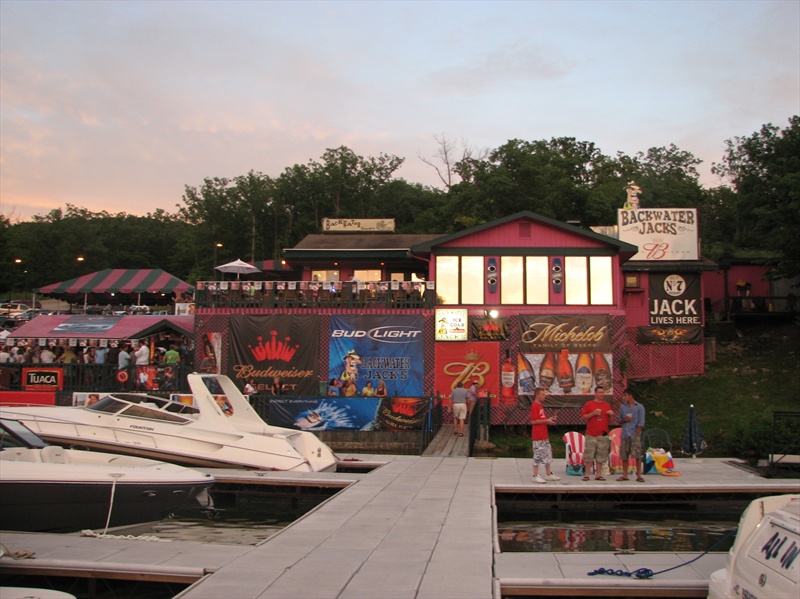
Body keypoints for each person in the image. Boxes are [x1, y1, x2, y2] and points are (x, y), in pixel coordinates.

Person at [580, 385, 614, 481]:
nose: (601, 394)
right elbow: (583, 417)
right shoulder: (589, 404)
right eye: (599, 392)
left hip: (602, 434)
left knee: (601, 455)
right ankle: (587, 474)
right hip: (591, 434)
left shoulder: (606, 405)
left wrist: (611, 415)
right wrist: (593, 413)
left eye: (603, 392)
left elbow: (610, 421)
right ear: (595, 393)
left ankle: (598, 474)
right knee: (589, 455)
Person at [530, 387, 561, 484]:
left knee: (547, 453)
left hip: (544, 435)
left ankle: (548, 474)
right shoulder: (534, 406)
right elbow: (533, 421)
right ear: (537, 395)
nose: (545, 396)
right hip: (538, 435)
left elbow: (542, 419)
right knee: (538, 455)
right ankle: (535, 475)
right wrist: (546, 421)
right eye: (543, 394)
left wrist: (549, 420)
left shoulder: (540, 406)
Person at [617, 387, 646, 482]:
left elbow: (641, 423)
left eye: (625, 395)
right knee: (624, 455)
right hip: (625, 433)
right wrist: (625, 419)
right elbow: (619, 420)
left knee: (637, 455)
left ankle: (639, 475)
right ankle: (625, 475)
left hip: (635, 434)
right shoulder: (623, 407)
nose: (623, 397)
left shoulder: (639, 407)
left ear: (630, 396)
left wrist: (636, 434)